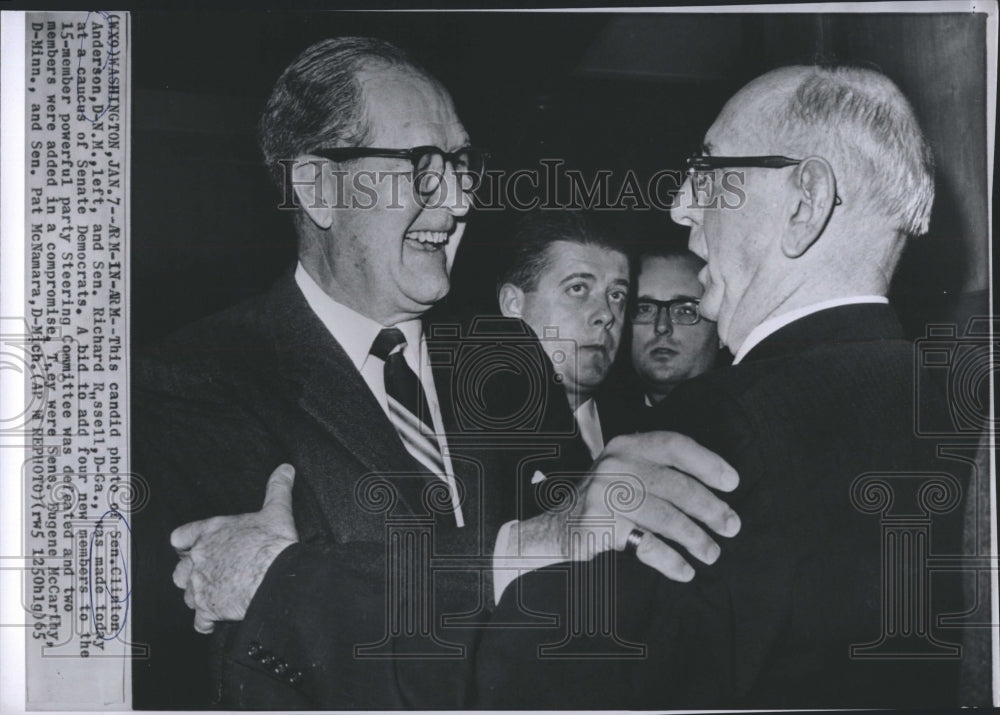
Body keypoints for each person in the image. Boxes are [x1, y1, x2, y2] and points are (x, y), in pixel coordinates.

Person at [132, 37, 741, 709]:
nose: (456, 201)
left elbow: (586, 597)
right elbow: (232, 652)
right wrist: (532, 544)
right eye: (422, 166)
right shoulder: (197, 378)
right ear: (318, 188)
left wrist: (295, 574)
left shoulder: (508, 362)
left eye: (461, 164)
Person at [475, 64, 968, 709]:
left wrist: (300, 583)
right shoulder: (952, 402)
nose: (681, 205)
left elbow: (534, 672)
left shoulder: (717, 430)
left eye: (708, 173)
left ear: (804, 203)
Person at [496, 210, 630, 459]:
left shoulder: (645, 435)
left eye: (616, 295)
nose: (606, 314)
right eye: (577, 288)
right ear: (513, 304)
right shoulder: (467, 436)